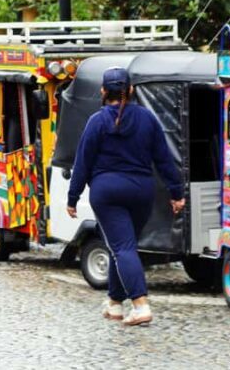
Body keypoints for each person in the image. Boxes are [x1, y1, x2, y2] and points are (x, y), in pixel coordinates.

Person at [67, 67, 184, 326]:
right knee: (123, 245)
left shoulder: (97, 121)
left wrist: (73, 197)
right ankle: (115, 304)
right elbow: (164, 159)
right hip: (141, 191)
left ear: (103, 91)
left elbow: (83, 162)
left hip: (107, 192)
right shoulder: (147, 119)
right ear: (130, 90)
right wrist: (176, 193)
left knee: (122, 247)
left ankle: (140, 305)